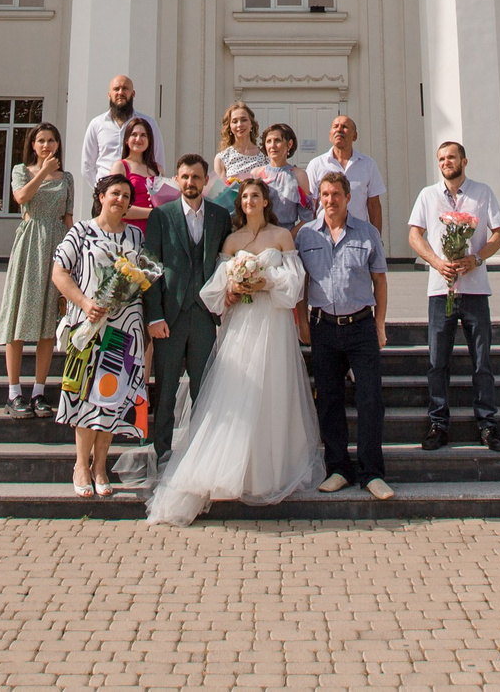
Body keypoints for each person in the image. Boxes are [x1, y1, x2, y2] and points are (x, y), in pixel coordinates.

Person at [147, 176, 325, 526]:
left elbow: (295, 283)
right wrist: (233, 285)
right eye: (244, 197)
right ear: (240, 203)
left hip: (273, 322)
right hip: (242, 322)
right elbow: (214, 289)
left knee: (272, 391)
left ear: (265, 201)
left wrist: (266, 281)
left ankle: (268, 471)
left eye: (255, 196)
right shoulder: (232, 239)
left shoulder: (281, 236)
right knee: (237, 393)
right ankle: (229, 468)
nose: (249, 201)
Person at [51, 173, 154, 498]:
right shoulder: (81, 232)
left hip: (123, 330)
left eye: (125, 195)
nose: (120, 200)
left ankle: (100, 467)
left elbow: (145, 274)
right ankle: (81, 465)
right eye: (115, 194)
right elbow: (59, 271)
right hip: (89, 326)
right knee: (84, 396)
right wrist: (84, 302)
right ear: (101, 196)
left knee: (110, 397)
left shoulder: (136, 237)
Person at [293, 169, 391, 500]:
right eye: (325, 195)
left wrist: (379, 324)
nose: (330, 200)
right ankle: (338, 468)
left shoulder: (367, 233)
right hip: (323, 328)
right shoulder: (306, 235)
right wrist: (303, 322)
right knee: (330, 400)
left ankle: (372, 472)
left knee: (370, 399)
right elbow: (301, 282)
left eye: (336, 194)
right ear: (318, 199)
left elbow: (380, 280)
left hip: (361, 326)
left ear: (348, 198)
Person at [407, 139, 500, 452]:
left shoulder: (482, 193)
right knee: (438, 362)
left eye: (451, 157)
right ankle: (438, 424)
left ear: (464, 161)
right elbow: (414, 235)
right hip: (441, 292)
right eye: (441, 159)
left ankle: (487, 425)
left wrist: (476, 259)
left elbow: (499, 233)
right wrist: (438, 263)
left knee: (482, 361)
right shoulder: (428, 195)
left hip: (475, 289)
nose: (446, 162)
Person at [143, 155, 232, 465]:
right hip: (169, 316)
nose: (190, 182)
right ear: (176, 180)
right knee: (165, 390)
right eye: (184, 177)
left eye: (196, 177)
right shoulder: (161, 216)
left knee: (204, 388)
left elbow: (226, 263)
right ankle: (163, 452)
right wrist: (153, 316)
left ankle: (202, 453)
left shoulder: (221, 217)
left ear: (206, 180)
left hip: (205, 316)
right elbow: (150, 269)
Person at [0, 122, 71, 419]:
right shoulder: (21, 171)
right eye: (41, 140)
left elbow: (67, 218)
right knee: (19, 317)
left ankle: (39, 390)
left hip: (56, 245)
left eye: (52, 140)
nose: (46, 145)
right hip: (29, 246)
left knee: (48, 321)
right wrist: (41, 170)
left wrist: (72, 258)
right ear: (33, 145)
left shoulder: (67, 179)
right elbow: (21, 198)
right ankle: (14, 392)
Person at [305, 114, 385, 234]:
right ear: (330, 135)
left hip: (359, 234)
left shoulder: (368, 164)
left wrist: (377, 238)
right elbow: (310, 205)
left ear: (355, 135)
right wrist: (309, 236)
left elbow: (374, 206)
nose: (339, 130)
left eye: (344, 127)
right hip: (323, 234)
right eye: (335, 127)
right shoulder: (316, 164)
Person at [78, 74, 163, 182]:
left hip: (138, 192)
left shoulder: (148, 124)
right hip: (105, 193)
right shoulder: (97, 124)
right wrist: (101, 189)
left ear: (133, 94)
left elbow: (158, 161)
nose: (120, 92)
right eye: (116, 89)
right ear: (109, 95)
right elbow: (87, 166)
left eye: (125, 88)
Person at [114, 117, 178, 222]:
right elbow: (117, 206)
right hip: (129, 231)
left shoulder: (158, 169)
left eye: (143, 135)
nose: (138, 139)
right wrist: (154, 213)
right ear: (126, 140)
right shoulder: (120, 166)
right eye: (134, 134)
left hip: (154, 230)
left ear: (149, 141)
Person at [213, 102, 267, 209]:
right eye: (234, 121)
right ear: (229, 127)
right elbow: (220, 194)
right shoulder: (222, 158)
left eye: (244, 120)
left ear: (251, 124)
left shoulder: (265, 156)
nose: (239, 125)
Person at [258, 122, 309, 228]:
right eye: (268, 141)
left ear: (289, 144)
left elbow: (307, 218)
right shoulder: (256, 174)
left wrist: (287, 238)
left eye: (277, 140)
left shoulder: (299, 175)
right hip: (260, 235)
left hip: (288, 236)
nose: (272, 145)